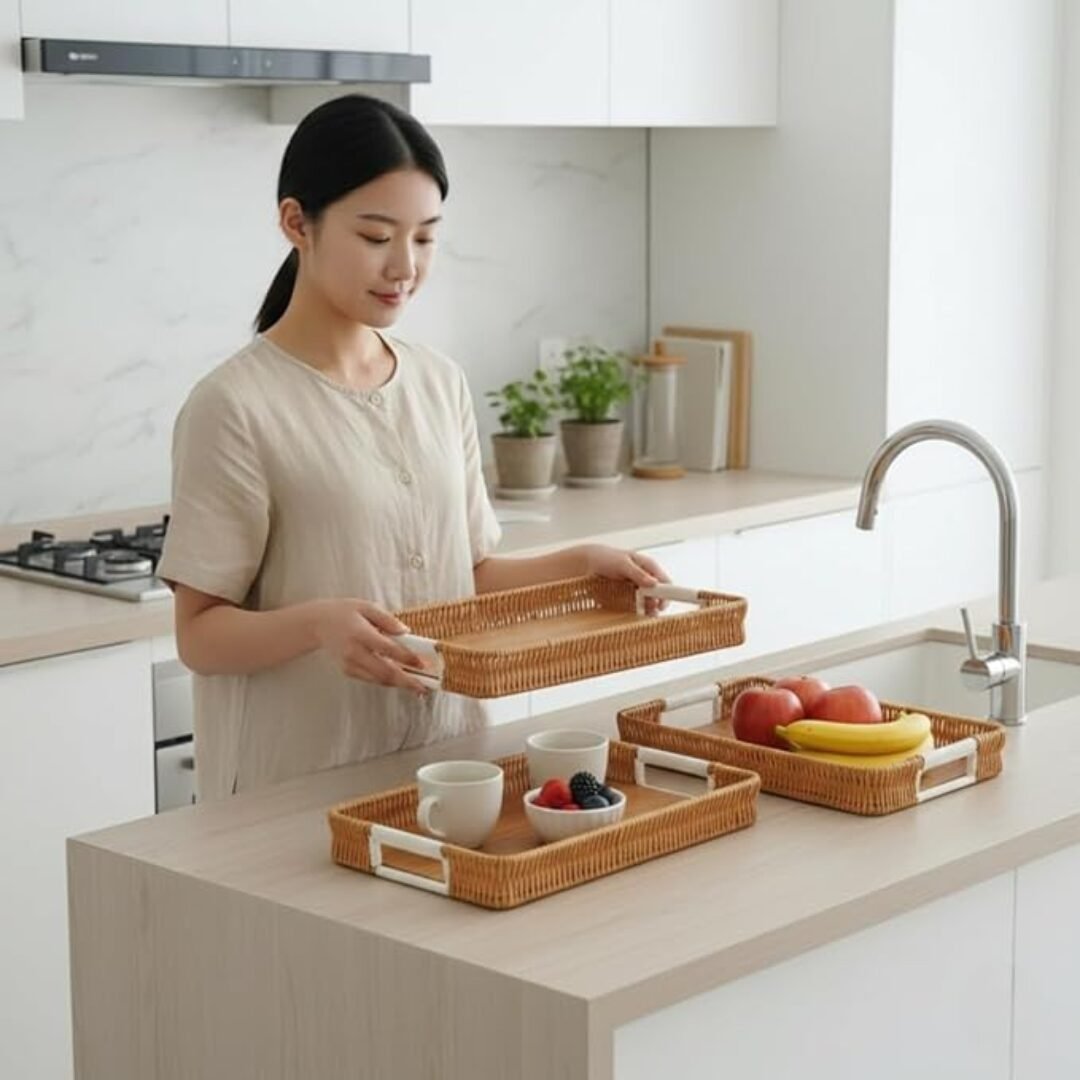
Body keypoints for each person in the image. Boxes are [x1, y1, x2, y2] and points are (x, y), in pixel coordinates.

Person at [157, 93, 668, 801]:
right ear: (297, 223)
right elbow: (200, 636)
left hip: (452, 773)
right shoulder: (234, 406)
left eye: (425, 238)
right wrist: (317, 626)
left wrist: (582, 566)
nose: (405, 266)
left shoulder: (438, 382)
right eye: (376, 237)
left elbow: (468, 575)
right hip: (297, 786)